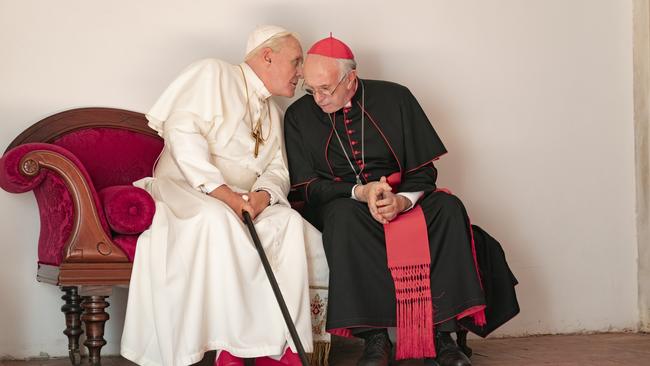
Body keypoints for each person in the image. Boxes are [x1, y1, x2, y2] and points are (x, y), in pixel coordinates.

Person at [121, 25, 323, 366]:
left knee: (287, 223)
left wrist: (262, 196)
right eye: (296, 61)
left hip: (244, 200)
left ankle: (281, 351)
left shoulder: (275, 112)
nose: (301, 73)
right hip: (186, 189)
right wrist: (226, 196)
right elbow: (182, 133)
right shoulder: (213, 73)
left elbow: (278, 170)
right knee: (216, 220)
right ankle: (230, 350)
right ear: (267, 56)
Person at [284, 36, 488, 366]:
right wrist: (359, 193)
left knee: (449, 209)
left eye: (325, 89)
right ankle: (375, 340)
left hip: (403, 196)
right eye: (310, 90)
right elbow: (305, 187)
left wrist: (403, 202)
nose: (317, 99)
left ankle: (441, 337)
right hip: (346, 203)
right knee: (342, 218)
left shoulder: (396, 98)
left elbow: (424, 171)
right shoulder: (298, 116)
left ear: (350, 80)